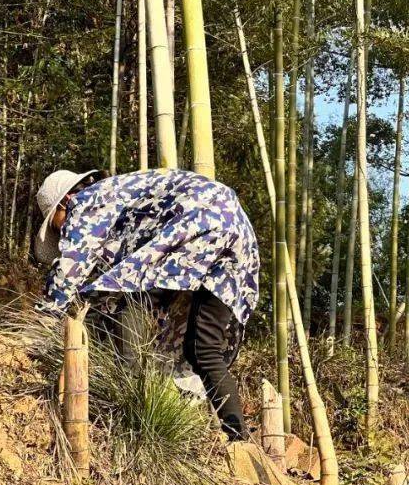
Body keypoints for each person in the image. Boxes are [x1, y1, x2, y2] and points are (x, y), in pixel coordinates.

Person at [33, 168, 260, 440]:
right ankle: (238, 438)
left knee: (128, 298)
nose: (62, 231)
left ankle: (133, 410)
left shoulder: (85, 203)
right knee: (202, 347)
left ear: (64, 202)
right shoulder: (117, 196)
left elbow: (70, 271)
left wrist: (43, 322)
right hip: (235, 229)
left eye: (57, 224)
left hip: (197, 221)